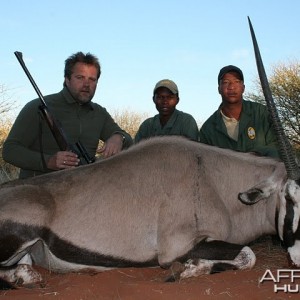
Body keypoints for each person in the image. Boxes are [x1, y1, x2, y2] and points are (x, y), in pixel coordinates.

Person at [3, 51, 133, 179]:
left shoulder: (99, 113)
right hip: (39, 191)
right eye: (80, 77)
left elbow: (129, 142)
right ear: (67, 80)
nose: (86, 84)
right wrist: (48, 161)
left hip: (84, 189)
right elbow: (10, 151)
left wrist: (118, 137)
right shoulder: (37, 107)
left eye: (92, 79)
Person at [199, 65, 280, 158]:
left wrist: (252, 156)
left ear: (243, 88)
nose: (231, 87)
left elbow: (278, 148)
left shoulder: (262, 113)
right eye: (226, 82)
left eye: (237, 82)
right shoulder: (207, 129)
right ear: (219, 89)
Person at [134, 79, 199, 143]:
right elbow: (136, 150)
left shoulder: (187, 122)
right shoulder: (147, 125)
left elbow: (192, 151)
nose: (165, 101)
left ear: (177, 100)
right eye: (160, 97)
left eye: (170, 97)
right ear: (154, 99)